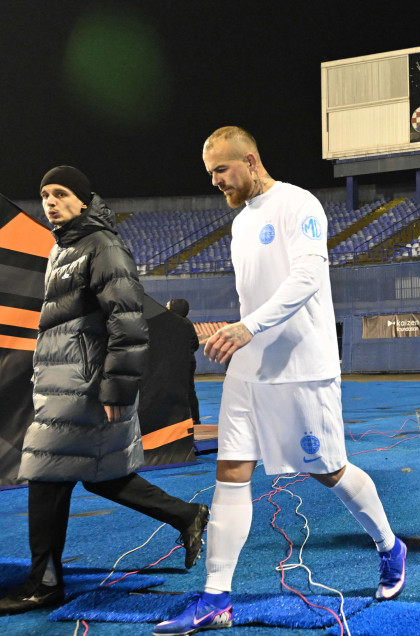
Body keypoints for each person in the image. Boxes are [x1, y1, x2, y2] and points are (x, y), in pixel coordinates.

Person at [156, 127, 405, 635]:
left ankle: (389, 545)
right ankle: (216, 597)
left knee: (328, 470)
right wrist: (243, 332)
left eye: (221, 171)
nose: (216, 182)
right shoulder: (239, 224)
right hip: (251, 367)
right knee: (231, 472)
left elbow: (308, 277)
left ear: (250, 161)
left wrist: (248, 326)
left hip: (302, 367)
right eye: (210, 174)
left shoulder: (300, 205)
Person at [0, 167, 208, 617]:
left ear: (84, 200)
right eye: (44, 195)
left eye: (61, 193)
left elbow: (127, 324)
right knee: (102, 475)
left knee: (46, 477)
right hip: (66, 384)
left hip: (85, 389)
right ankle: (186, 516)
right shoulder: (66, 248)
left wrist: (116, 389)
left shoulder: (102, 246)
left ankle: (45, 583)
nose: (50, 202)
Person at [167, 299, 201, 426]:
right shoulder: (187, 323)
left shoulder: (171, 324)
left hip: (179, 363)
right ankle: (195, 420)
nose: (166, 306)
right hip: (188, 362)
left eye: (169, 305)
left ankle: (180, 420)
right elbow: (195, 344)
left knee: (177, 391)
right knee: (189, 391)